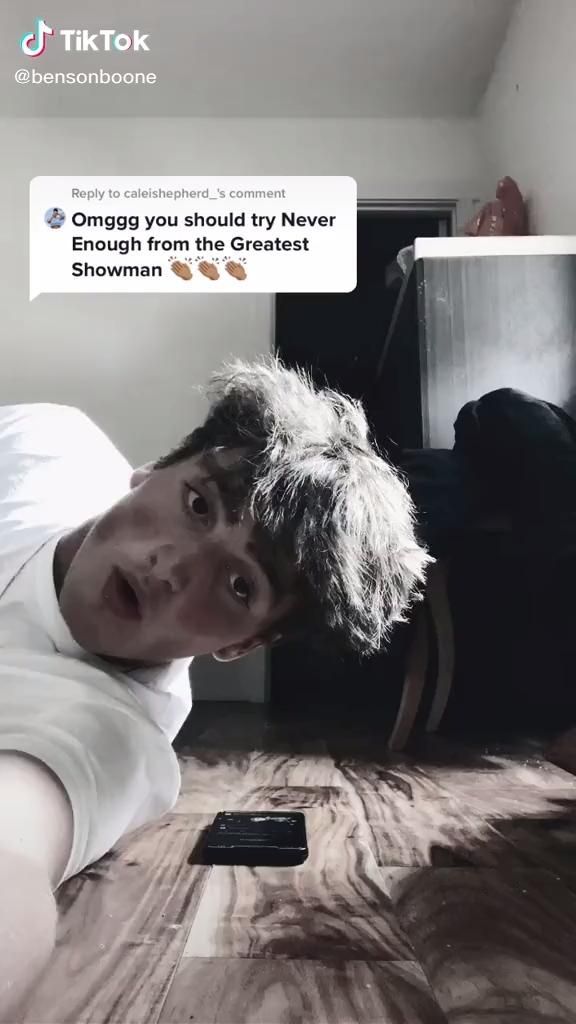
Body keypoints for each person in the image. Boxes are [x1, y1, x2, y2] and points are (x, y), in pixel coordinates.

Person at [0, 357, 430, 1017]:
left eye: (238, 585)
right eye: (198, 505)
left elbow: (15, 845)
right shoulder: (45, 443)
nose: (172, 565)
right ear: (147, 471)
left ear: (241, 644)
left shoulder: (109, 736)